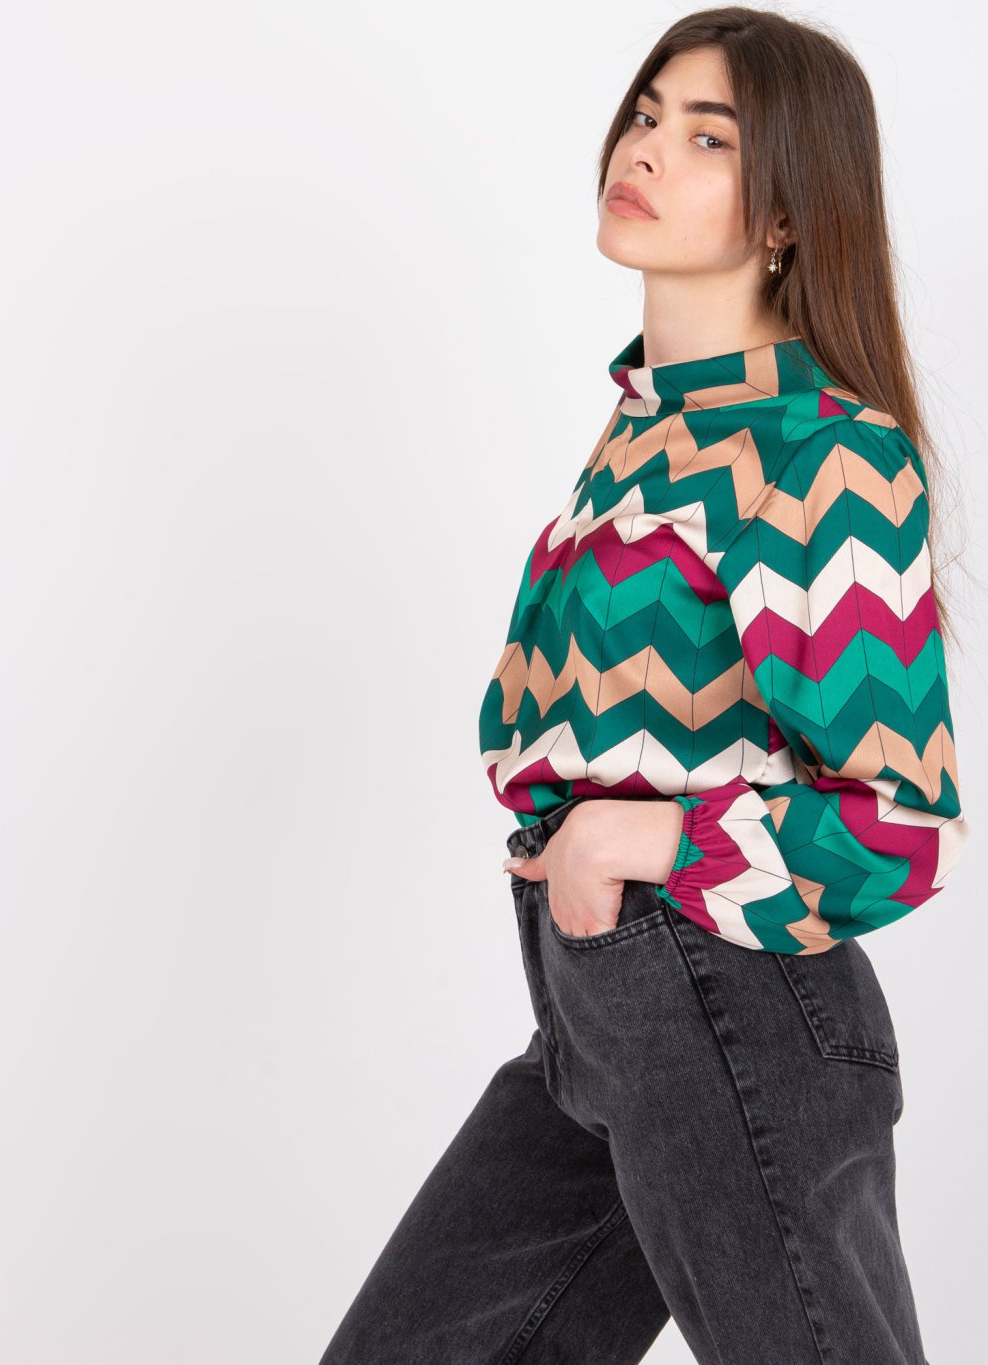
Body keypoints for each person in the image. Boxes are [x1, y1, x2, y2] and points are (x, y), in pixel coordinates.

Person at [319, 7, 968, 1362]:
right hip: (600, 1022)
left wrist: (643, 836)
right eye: (648, 113)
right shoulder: (646, 428)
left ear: (787, 214)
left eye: (711, 137)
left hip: (734, 1006)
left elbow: (902, 826)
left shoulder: (820, 453)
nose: (649, 149)